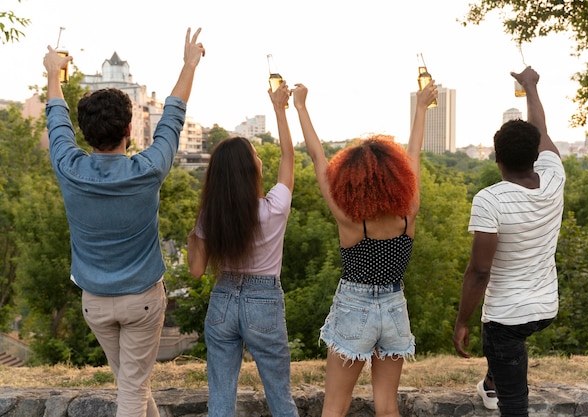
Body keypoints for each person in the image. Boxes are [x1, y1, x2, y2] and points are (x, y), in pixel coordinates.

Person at [44, 28, 205, 417]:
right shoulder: (147, 169)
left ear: (85, 134)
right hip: (142, 302)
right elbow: (172, 116)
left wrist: (53, 73)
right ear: (129, 130)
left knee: (131, 384)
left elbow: (56, 119)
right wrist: (189, 64)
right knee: (132, 391)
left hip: (95, 303)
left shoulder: (69, 166)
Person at [292, 80, 438, 417]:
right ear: (397, 177)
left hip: (354, 307)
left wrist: (300, 106)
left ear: (351, 178)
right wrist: (420, 109)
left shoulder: (349, 219)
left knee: (335, 407)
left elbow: (317, 157)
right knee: (387, 407)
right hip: (394, 309)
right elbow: (414, 155)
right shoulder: (408, 212)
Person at [453, 66, 565, 417]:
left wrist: (462, 321)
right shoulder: (554, 177)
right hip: (545, 308)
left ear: (496, 158)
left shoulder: (490, 200)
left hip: (506, 318)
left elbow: (479, 272)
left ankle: (497, 387)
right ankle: (490, 384)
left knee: (514, 403)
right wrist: (530, 86)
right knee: (507, 351)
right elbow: (542, 130)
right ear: (535, 154)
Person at [186, 81, 299, 417]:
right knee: (280, 396)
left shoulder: (211, 214)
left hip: (222, 300)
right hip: (263, 301)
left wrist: (194, 234)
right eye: (256, 156)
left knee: (220, 398)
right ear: (251, 170)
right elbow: (289, 156)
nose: (261, 159)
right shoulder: (275, 207)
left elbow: (195, 270)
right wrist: (280, 109)